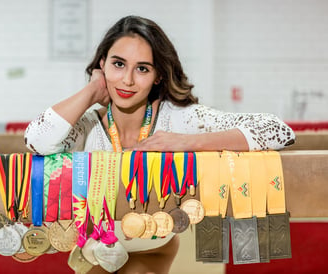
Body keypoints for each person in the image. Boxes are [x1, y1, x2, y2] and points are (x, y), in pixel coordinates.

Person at [25, 15, 295, 274]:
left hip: (151, 247)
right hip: (97, 246)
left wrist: (187, 142)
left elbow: (278, 131)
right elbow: (36, 141)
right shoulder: (85, 127)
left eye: (142, 68)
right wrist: (93, 90)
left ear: (158, 76)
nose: (128, 80)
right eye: (118, 64)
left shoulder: (179, 119)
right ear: (102, 64)